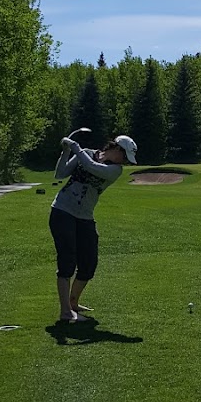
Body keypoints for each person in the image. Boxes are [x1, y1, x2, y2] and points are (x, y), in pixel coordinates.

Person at [50, 132, 137, 322]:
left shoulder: (115, 170)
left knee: (89, 263)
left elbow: (91, 167)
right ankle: (66, 312)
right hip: (62, 211)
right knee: (67, 261)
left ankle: (73, 303)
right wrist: (65, 151)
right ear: (116, 148)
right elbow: (60, 173)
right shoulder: (87, 152)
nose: (125, 162)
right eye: (124, 157)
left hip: (84, 217)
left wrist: (74, 146)